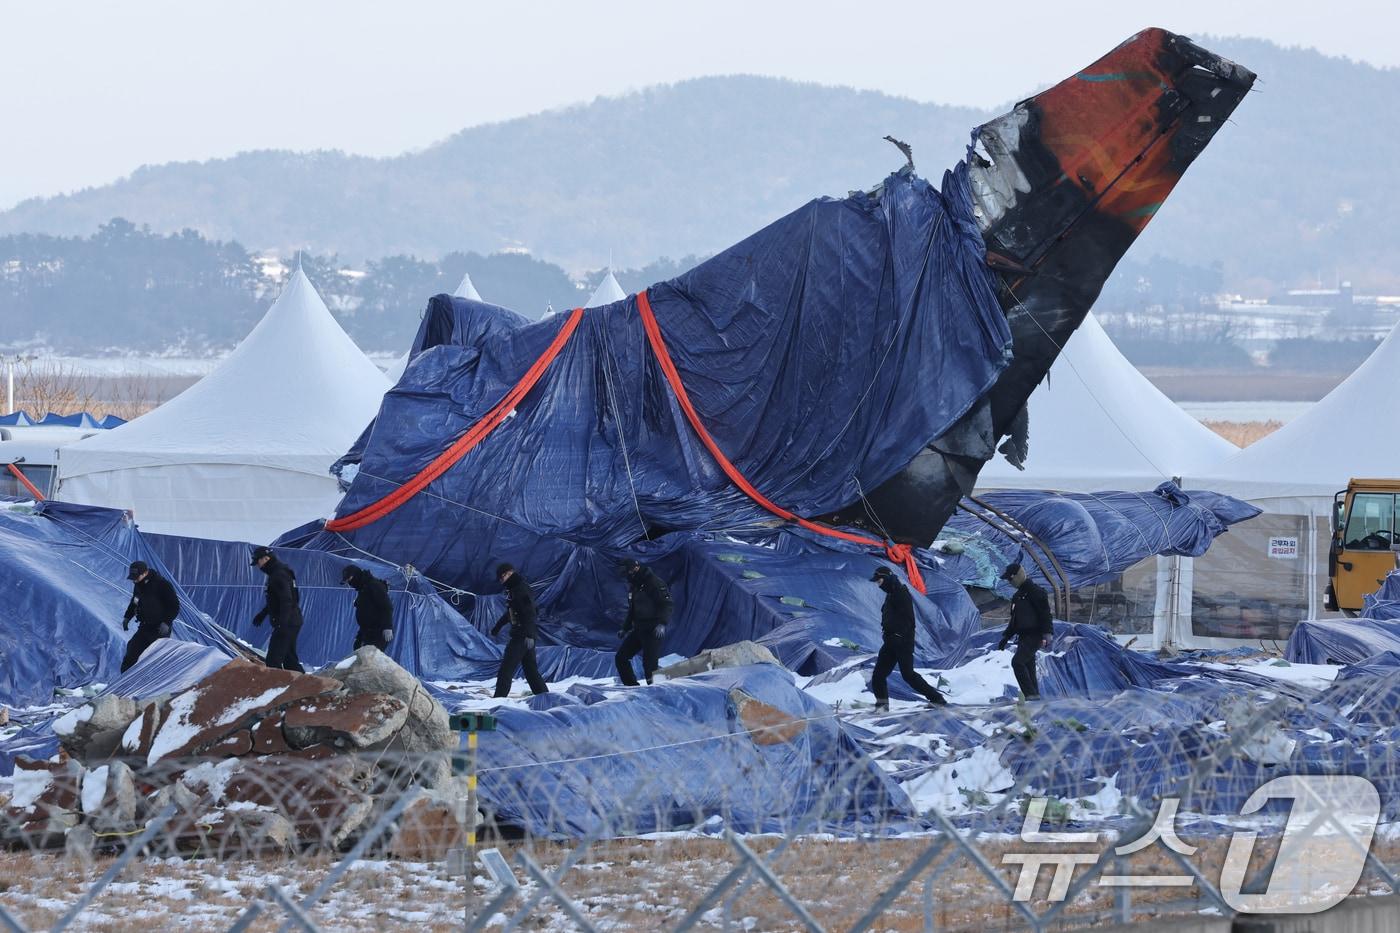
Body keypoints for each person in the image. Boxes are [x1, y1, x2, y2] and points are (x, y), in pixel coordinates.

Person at [869, 565, 947, 710]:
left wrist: (900, 636)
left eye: (879, 582)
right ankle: (882, 707)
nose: (878, 585)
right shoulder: (891, 594)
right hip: (890, 641)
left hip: (902, 642)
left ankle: (937, 699)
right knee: (878, 675)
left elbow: (909, 620)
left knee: (908, 674)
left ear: (886, 579)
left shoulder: (901, 593)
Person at [490, 563, 549, 698]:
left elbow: (530, 612)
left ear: (509, 573)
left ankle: (498, 700)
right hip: (525, 635)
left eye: (502, 577)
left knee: (506, 669)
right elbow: (511, 612)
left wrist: (528, 634)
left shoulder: (520, 589)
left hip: (522, 636)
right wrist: (497, 626)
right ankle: (545, 697)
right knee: (531, 671)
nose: (501, 581)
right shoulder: (514, 589)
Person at [996, 562, 1054, 701]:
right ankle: (1035, 696)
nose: (1009, 582)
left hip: (1035, 635)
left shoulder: (1036, 592)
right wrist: (1006, 636)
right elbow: (1015, 619)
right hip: (1023, 636)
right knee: (1028, 666)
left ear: (1017, 576)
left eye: (1010, 579)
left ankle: (1030, 695)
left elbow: (1045, 614)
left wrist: (1047, 632)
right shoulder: (1017, 596)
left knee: (1018, 662)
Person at [615, 558, 673, 686]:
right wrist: (625, 628)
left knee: (650, 666)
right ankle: (632, 687)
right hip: (639, 629)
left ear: (635, 568)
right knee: (621, 658)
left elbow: (666, 604)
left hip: (653, 630)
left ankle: (656, 694)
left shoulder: (654, 582)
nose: (626, 576)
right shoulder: (635, 585)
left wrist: (662, 623)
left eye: (627, 572)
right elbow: (633, 610)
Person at [251, 545, 304, 672]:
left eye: (258, 562)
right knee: (289, 659)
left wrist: (282, 624)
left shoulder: (278, 575)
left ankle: (275, 689)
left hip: (287, 622)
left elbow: (287, 600)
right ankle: (306, 685)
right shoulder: (281, 572)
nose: (258, 566)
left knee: (273, 660)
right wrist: (263, 614)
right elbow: (277, 600)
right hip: (292, 620)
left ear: (265, 558)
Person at [120, 560, 179, 672]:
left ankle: (157, 685)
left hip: (160, 629)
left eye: (136, 577)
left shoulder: (162, 585)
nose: (134, 580)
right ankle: (124, 681)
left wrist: (166, 622)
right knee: (132, 651)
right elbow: (135, 601)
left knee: (155, 658)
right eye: (133, 577)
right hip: (145, 626)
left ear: (145, 572)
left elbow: (174, 606)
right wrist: (127, 617)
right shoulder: (138, 585)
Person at [342, 565, 394, 651]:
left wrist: (387, 626)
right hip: (366, 631)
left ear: (356, 575)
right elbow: (365, 611)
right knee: (357, 651)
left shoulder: (374, 586)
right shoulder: (362, 588)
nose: (350, 584)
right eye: (347, 581)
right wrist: (359, 636)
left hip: (378, 632)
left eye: (349, 579)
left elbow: (386, 606)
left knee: (370, 657)